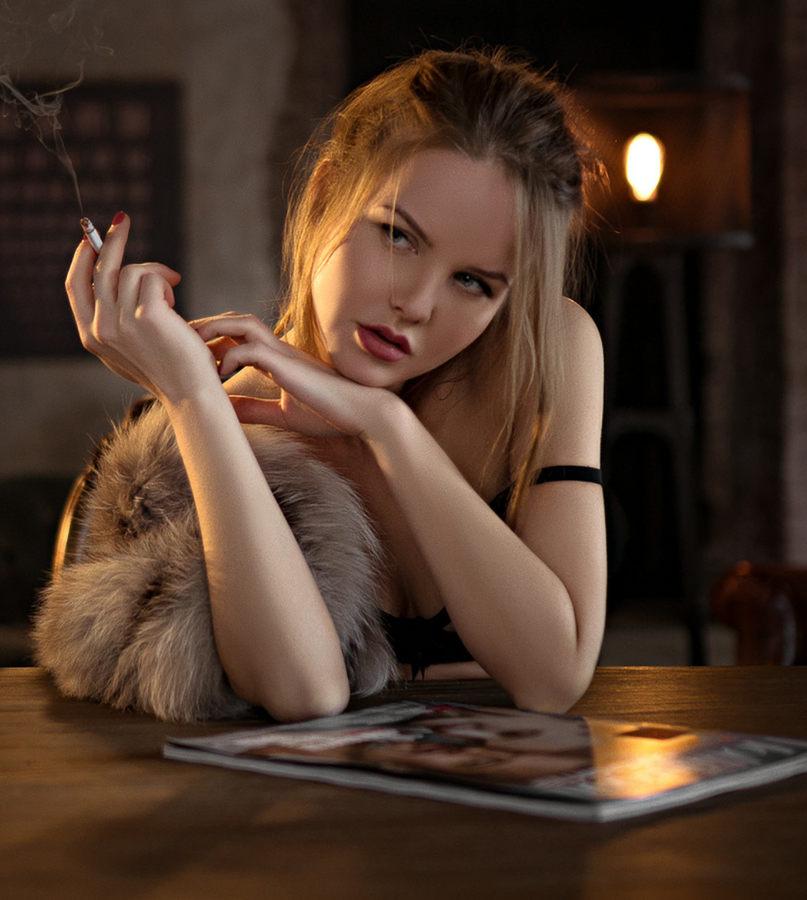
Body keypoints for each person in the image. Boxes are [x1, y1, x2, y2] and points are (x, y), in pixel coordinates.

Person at [35, 47, 606, 723]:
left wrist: (386, 427)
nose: (418, 303)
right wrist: (194, 401)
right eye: (397, 235)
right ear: (327, 193)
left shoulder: (545, 352)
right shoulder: (227, 423)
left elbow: (553, 678)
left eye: (473, 281)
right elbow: (305, 691)